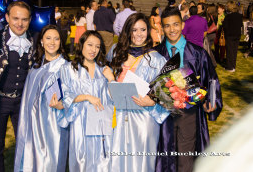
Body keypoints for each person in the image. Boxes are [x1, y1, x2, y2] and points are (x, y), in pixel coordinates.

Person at [154, 7, 223, 172]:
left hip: (189, 114)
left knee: (186, 159)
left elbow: (211, 81)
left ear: (183, 25)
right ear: (162, 28)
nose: (172, 29)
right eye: (167, 26)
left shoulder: (198, 53)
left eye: (176, 24)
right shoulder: (155, 54)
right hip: (163, 116)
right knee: (165, 157)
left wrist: (211, 102)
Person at [108, 13, 169, 171]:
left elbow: (168, 90)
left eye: (143, 29)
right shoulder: (116, 52)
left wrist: (153, 99)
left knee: (141, 162)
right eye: (134, 30)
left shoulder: (156, 59)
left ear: (148, 31)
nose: (139, 34)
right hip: (118, 117)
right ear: (128, 31)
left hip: (144, 118)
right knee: (116, 160)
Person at [0, 0, 37, 172]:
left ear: (30, 20)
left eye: (24, 19)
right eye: (15, 18)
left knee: (25, 144)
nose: (20, 23)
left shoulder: (35, 40)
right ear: (7, 17)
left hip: (22, 103)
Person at [14, 24, 69, 172]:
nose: (52, 42)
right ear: (41, 42)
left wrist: (63, 105)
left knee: (50, 161)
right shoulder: (36, 67)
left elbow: (72, 99)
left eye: (56, 39)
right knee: (30, 159)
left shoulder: (65, 68)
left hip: (52, 126)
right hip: (31, 124)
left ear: (61, 42)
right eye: (48, 38)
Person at [60, 30, 115, 171]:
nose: (93, 50)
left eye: (97, 46)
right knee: (81, 160)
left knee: (103, 160)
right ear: (81, 44)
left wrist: (111, 79)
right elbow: (66, 96)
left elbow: (113, 98)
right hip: (80, 121)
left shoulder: (103, 69)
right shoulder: (69, 69)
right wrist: (86, 97)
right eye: (90, 45)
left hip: (100, 122)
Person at [222, 1, 243, 72]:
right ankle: (233, 65)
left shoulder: (228, 16)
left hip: (230, 35)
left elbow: (225, 26)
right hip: (237, 35)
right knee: (234, 51)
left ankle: (230, 67)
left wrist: (223, 22)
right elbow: (241, 25)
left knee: (230, 51)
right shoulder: (239, 16)